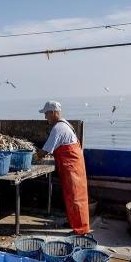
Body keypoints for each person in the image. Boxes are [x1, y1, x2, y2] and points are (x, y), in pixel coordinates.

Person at [34, 101, 90, 235]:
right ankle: (73, 222)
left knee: (76, 197)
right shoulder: (65, 124)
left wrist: (34, 156)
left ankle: (81, 230)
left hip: (73, 167)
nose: (45, 117)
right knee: (70, 196)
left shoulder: (58, 128)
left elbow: (46, 150)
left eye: (46, 114)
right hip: (70, 166)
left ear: (53, 113)